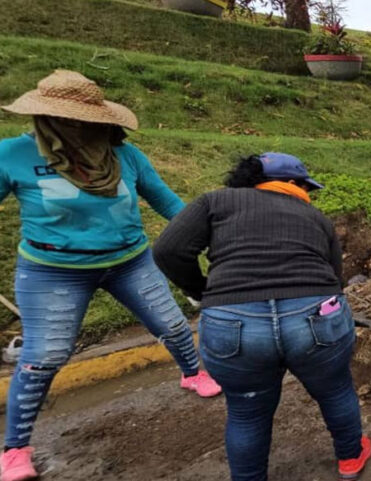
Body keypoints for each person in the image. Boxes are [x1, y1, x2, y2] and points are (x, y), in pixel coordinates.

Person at [0, 70, 221, 481]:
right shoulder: (12, 155)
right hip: (52, 272)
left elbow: (167, 202)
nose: (85, 129)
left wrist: (212, 235)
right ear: (48, 119)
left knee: (172, 324)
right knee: (44, 356)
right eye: (72, 120)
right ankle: (15, 450)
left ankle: (194, 373)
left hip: (129, 260)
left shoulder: (126, 156)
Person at [153, 152, 370, 481]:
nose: (308, 194)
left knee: (246, 412)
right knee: (335, 389)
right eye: (305, 186)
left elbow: (168, 250)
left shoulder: (215, 202)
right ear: (292, 184)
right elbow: (334, 277)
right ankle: (351, 459)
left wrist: (203, 292)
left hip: (233, 322)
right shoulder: (316, 217)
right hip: (314, 317)